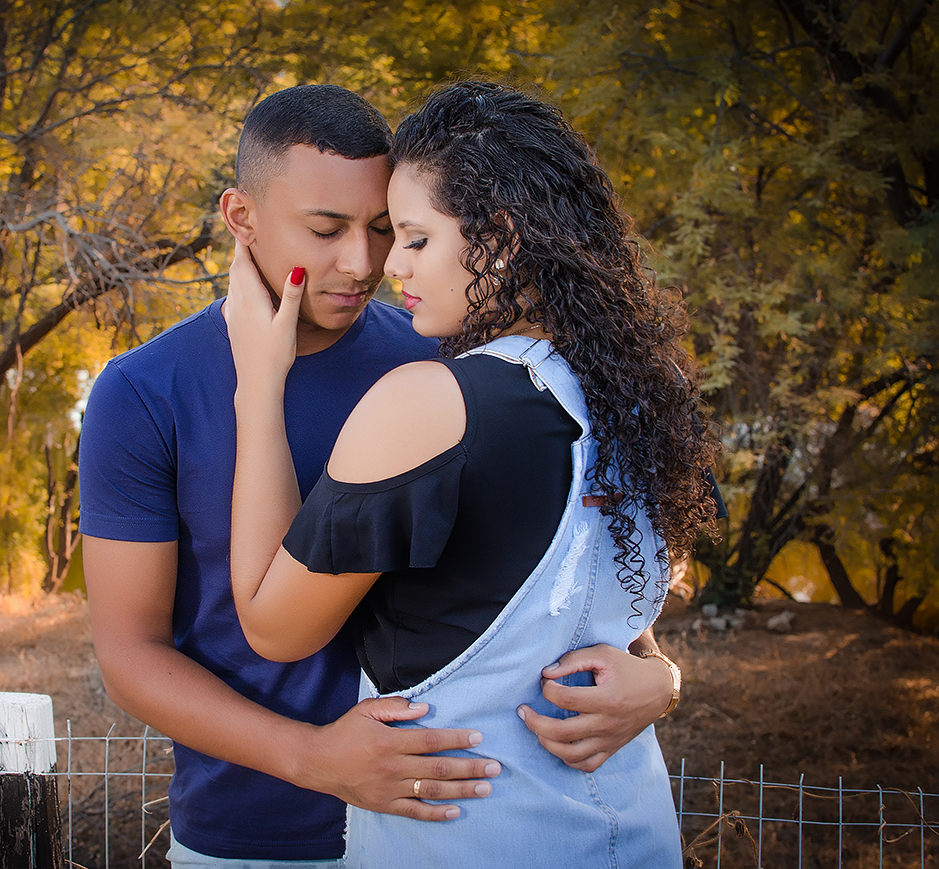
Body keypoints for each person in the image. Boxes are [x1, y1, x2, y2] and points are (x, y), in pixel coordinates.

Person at [79, 84, 683, 868]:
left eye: (383, 229)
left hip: (448, 816)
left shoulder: (440, 356)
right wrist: (311, 758)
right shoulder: (142, 391)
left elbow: (565, 560)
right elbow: (129, 653)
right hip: (254, 833)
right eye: (326, 230)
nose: (363, 263)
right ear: (241, 217)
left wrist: (657, 671)